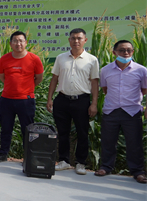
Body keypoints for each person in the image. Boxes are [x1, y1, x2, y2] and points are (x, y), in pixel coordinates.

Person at [45, 28, 100, 175]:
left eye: (79, 38)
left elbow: (95, 83)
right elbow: (54, 79)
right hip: (62, 100)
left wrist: (94, 103)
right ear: (69, 40)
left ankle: (81, 163)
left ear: (85, 40)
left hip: (81, 100)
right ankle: (64, 160)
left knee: (82, 133)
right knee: (63, 132)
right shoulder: (61, 58)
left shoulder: (92, 60)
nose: (76, 41)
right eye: (73, 38)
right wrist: (50, 98)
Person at [94, 40, 147, 184]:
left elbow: (144, 90)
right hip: (111, 110)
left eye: (129, 50)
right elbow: (105, 89)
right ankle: (106, 167)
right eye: (122, 50)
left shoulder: (141, 70)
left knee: (134, 142)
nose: (126, 53)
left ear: (133, 52)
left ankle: (138, 171)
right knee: (107, 141)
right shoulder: (105, 70)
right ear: (114, 52)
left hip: (132, 111)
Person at [0, 31, 44, 163]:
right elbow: (2, 77)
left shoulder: (34, 59)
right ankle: (3, 154)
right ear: (10, 43)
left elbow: (38, 78)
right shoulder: (4, 59)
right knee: (5, 128)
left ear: (26, 43)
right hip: (7, 99)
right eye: (15, 41)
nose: (18, 43)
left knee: (27, 130)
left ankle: (28, 156)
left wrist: (25, 89)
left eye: (21, 41)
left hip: (26, 100)